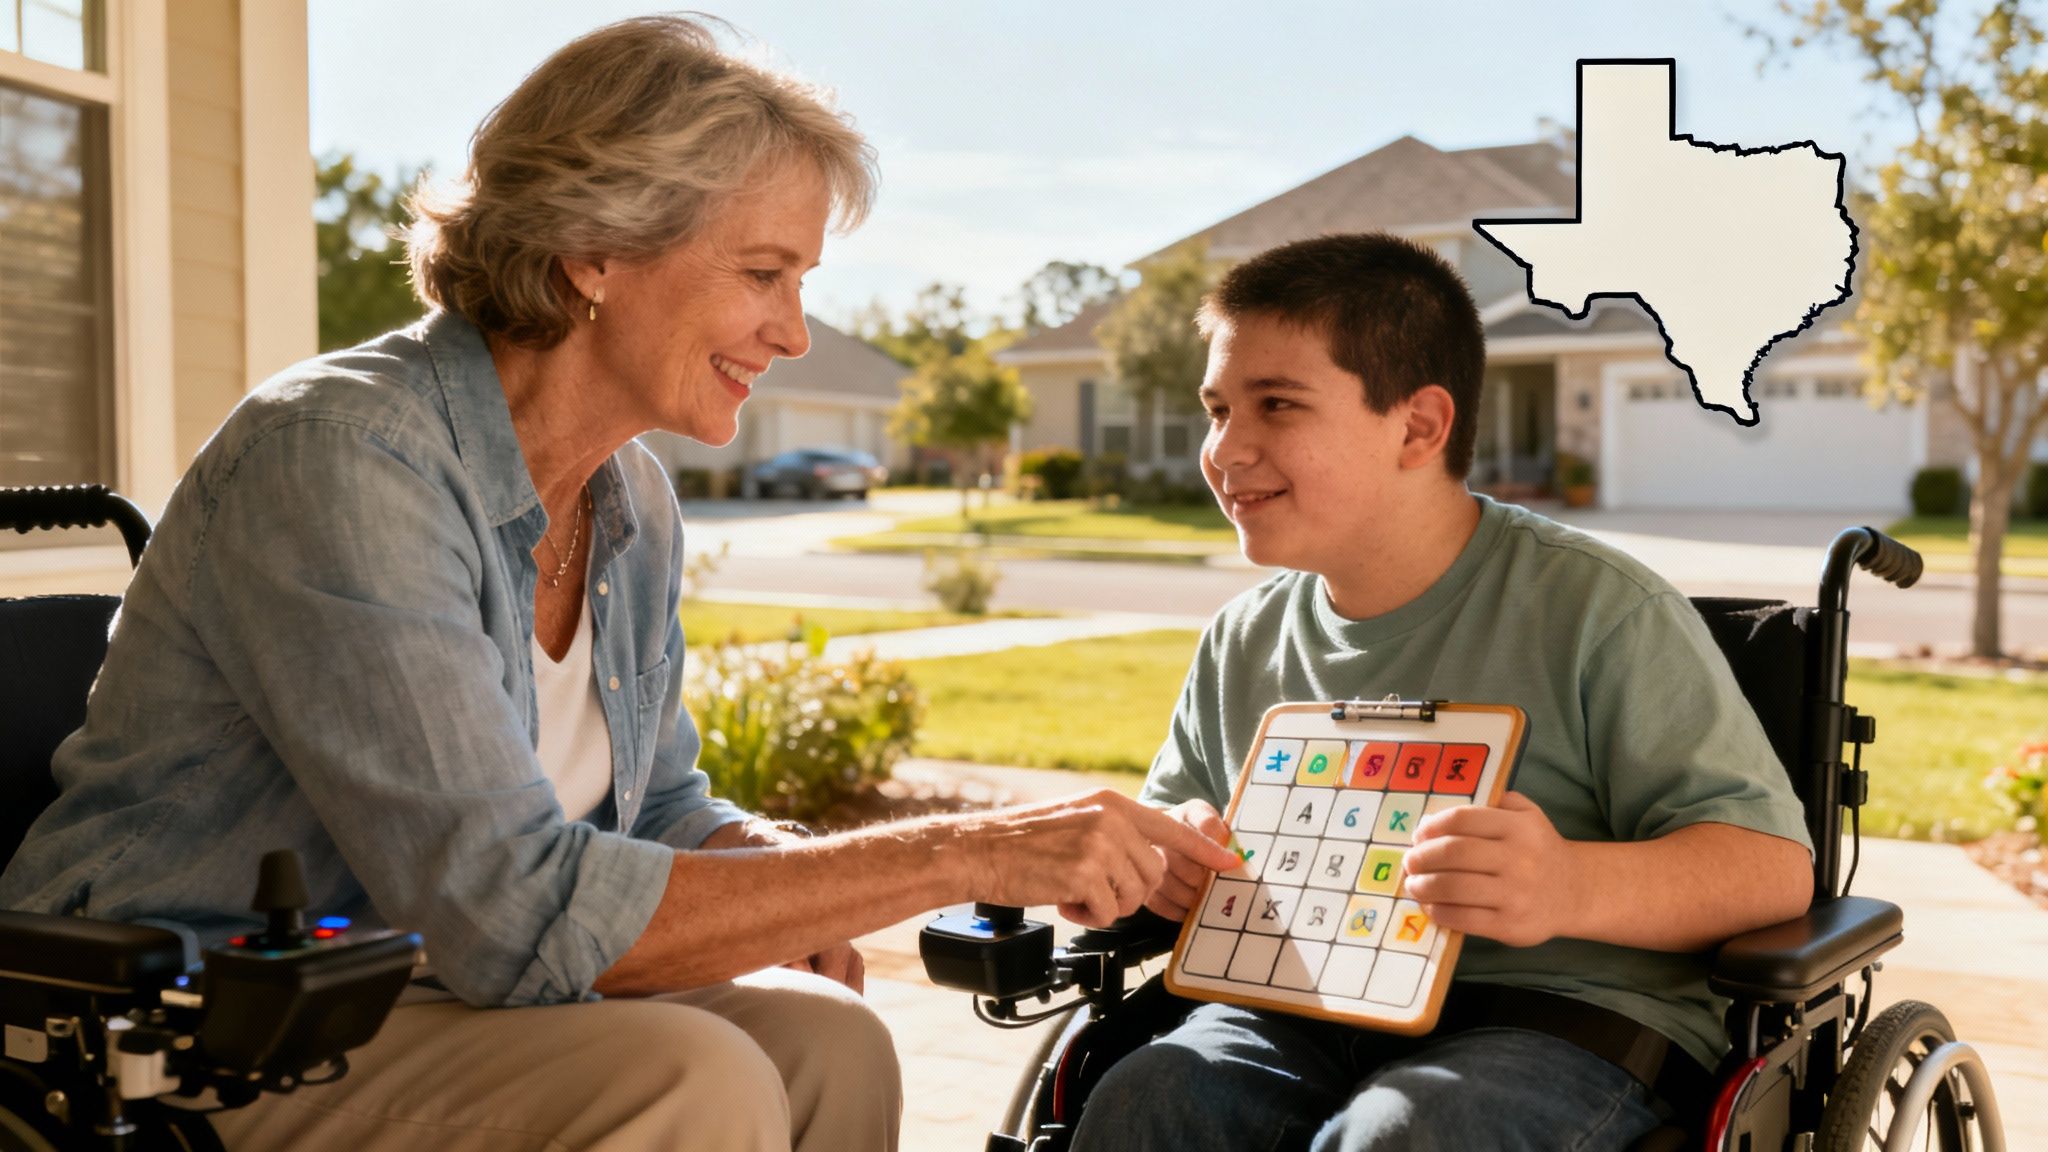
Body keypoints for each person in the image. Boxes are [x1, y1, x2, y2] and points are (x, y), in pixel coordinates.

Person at [0, 17, 1236, 1152]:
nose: (795, 331)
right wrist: (963, 852)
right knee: (684, 1076)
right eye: (764, 274)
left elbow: (652, 807)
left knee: (827, 1034)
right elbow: (509, 914)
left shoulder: (625, 497)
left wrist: (765, 859)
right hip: (180, 1019)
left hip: (409, 984)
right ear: (596, 250)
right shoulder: (343, 456)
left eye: (800, 281)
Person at [1071, 233, 1815, 1152]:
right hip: (1293, 1002)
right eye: (1218, 409)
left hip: (1558, 1022)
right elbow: (1169, 818)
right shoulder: (1243, 637)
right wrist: (1167, 864)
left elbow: (1773, 868)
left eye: (1278, 405)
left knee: (1406, 1133)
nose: (1226, 449)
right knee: (1150, 1093)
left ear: (1419, 427)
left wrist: (1571, 884)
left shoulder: (1598, 611)